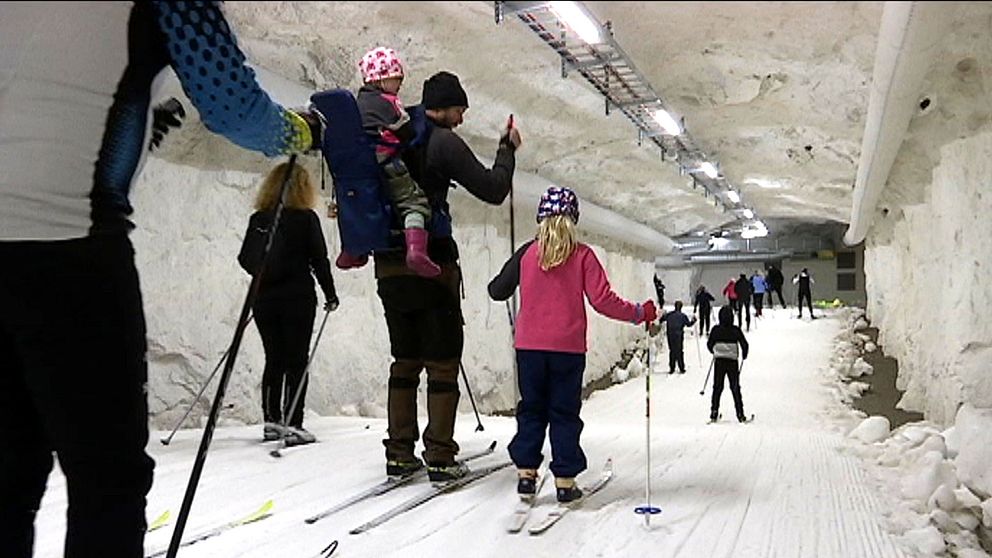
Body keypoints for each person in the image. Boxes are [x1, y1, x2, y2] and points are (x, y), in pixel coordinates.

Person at [0, 2, 320, 556]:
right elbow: (233, 106)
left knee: (6, 474)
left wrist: (139, 129)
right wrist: (301, 130)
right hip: (71, 254)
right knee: (108, 478)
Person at [375, 71, 521, 482]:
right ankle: (440, 455)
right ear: (445, 106)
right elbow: (494, 189)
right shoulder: (442, 142)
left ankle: (399, 454)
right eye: (459, 110)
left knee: (403, 362)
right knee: (441, 364)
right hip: (431, 267)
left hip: (388, 267)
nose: (460, 119)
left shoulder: (393, 134)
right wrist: (506, 150)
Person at [488, 186, 657, 502]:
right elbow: (602, 300)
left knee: (532, 409)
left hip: (529, 349)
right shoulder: (582, 256)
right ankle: (565, 481)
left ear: (541, 218)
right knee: (564, 412)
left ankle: (526, 474)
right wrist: (638, 312)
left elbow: (497, 290)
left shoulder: (527, 252)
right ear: (573, 219)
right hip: (567, 350)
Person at [238, 164, 339, 446]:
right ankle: (294, 422)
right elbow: (319, 259)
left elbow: (245, 258)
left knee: (274, 358)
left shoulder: (259, 218)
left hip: (264, 298)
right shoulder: (305, 219)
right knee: (297, 359)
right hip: (297, 297)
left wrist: (265, 273)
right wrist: (330, 294)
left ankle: (272, 420)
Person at [336, 47, 439, 277]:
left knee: (353, 208)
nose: (400, 84)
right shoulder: (389, 102)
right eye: (396, 79)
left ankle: (351, 251)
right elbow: (407, 132)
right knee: (413, 202)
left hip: (357, 171)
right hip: (388, 163)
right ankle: (416, 251)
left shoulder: (354, 106)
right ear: (381, 78)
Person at [707, 306, 750, 423]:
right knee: (735, 387)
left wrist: (714, 351)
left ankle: (714, 412)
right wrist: (744, 355)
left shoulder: (715, 330)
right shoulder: (735, 330)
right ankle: (740, 413)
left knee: (717, 387)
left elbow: (709, 344)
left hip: (719, 361)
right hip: (732, 362)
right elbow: (744, 344)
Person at [662, 301, 697, 374]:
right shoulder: (683, 316)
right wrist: (693, 321)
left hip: (670, 334)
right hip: (679, 335)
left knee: (672, 351)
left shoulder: (669, 315)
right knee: (679, 351)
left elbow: (661, 319)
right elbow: (688, 324)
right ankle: (681, 367)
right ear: (681, 307)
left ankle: (672, 368)